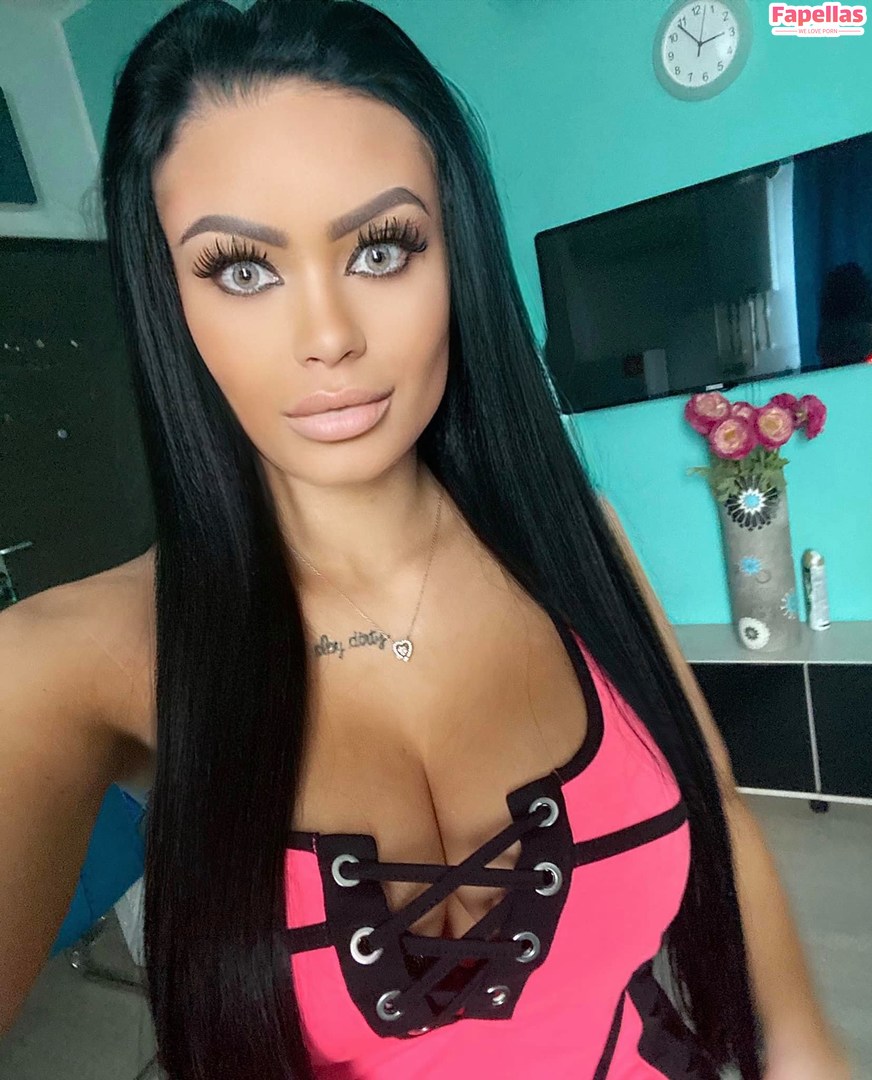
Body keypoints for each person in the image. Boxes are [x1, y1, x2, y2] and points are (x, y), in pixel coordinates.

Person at [0, 1, 852, 1077]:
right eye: (242, 270)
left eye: (381, 248)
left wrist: (804, 1051)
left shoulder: (574, 542)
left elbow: (715, 805)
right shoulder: (71, 662)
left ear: (455, 259)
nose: (328, 338)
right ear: (168, 299)